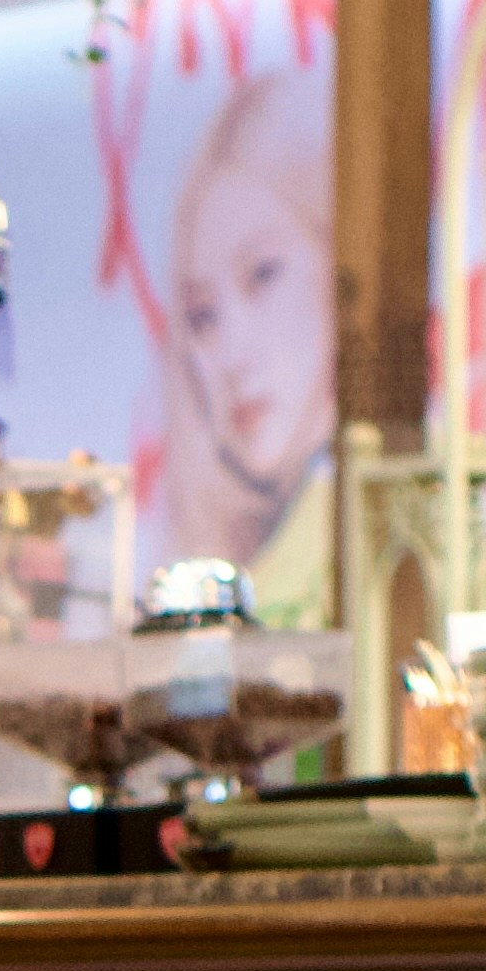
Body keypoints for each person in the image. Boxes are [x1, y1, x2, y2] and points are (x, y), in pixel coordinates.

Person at [162, 52, 336, 623]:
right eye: (203, 316)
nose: (230, 356)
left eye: (262, 275)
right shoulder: (231, 562)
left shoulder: (406, 526)